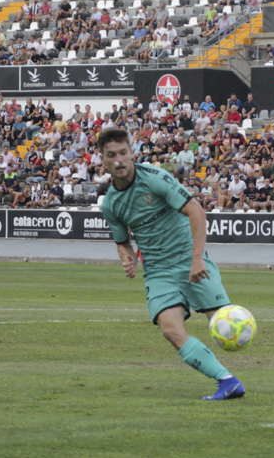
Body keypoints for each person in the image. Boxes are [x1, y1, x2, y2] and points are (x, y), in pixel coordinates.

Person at [98, 128, 246, 400]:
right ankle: (228, 381)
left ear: (131, 152)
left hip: (189, 258)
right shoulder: (110, 204)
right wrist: (126, 257)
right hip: (157, 271)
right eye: (112, 155)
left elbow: (196, 211)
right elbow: (122, 241)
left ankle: (229, 364)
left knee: (222, 323)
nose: (119, 160)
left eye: (123, 153)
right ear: (103, 160)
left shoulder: (155, 178)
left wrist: (197, 258)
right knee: (170, 329)